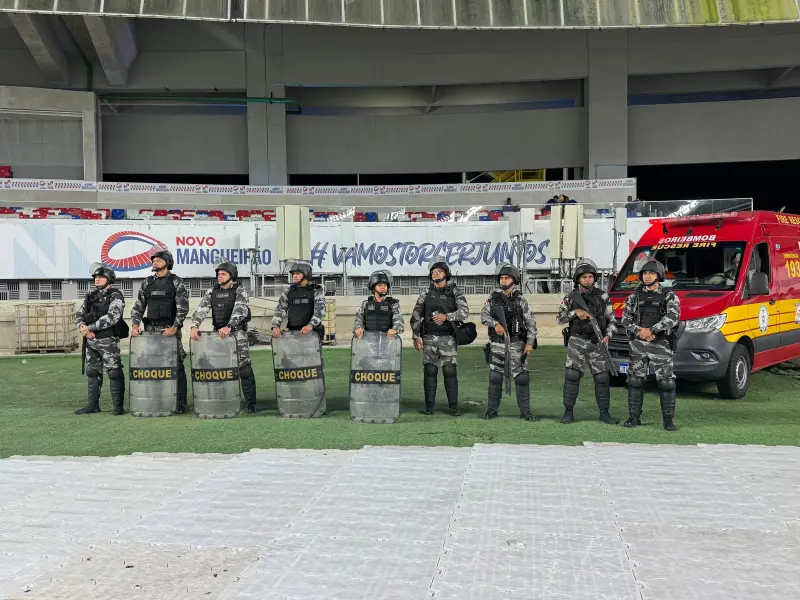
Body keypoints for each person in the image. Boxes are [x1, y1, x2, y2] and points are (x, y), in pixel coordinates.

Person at [620, 259, 681, 431]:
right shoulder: (634, 297)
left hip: (660, 343)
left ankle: (668, 421)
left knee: (667, 383)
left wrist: (652, 330)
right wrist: (640, 331)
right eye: (645, 273)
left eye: (651, 273)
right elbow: (625, 319)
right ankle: (634, 417)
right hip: (639, 344)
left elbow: (673, 317)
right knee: (635, 381)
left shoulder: (669, 296)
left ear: (659, 275)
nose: (647, 276)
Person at [189, 262, 257, 413]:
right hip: (218, 336)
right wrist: (194, 326)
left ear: (231, 276)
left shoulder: (240, 290)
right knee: (220, 369)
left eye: (223, 274)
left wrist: (230, 326)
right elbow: (201, 309)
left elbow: (241, 310)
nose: (220, 276)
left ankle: (251, 404)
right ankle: (223, 401)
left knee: (244, 369)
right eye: (218, 274)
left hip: (237, 334)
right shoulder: (212, 291)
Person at [557, 260, 618, 425]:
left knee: (602, 378)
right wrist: (575, 313)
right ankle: (568, 412)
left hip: (597, 342)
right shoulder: (571, 297)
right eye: (584, 277)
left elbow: (612, 320)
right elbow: (560, 318)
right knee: (572, 375)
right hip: (577, 341)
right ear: (578, 279)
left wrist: (608, 335)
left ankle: (604, 413)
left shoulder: (603, 296)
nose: (587, 279)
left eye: (590, 276)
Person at [130, 249, 190, 412]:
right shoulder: (147, 282)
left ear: (167, 263)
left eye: (158, 260)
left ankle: (181, 402)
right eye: (153, 260)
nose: (154, 262)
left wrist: (174, 327)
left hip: (169, 331)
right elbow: (139, 306)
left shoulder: (176, 282)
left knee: (176, 365)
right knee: (153, 366)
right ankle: (157, 400)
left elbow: (183, 307)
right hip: (150, 332)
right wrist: (135, 325)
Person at [410, 257, 469, 416]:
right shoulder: (426, 293)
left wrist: (446, 317)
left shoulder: (455, 292)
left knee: (450, 371)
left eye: (439, 271)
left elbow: (464, 312)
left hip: (447, 338)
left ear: (446, 274)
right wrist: (415, 336)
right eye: (433, 272)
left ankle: (453, 407)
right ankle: (429, 407)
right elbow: (416, 315)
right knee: (430, 370)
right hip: (429, 338)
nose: (435, 274)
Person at [480, 263, 537, 420]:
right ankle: (491, 410)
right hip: (497, 343)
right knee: (495, 377)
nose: (504, 281)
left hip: (517, 344)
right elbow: (483, 316)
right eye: (502, 278)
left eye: (507, 278)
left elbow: (531, 323)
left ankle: (525, 412)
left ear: (514, 280)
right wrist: (495, 324)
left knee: (522, 377)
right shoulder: (492, 299)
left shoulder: (521, 300)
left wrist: (529, 343)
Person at [74, 263, 126, 415]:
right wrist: (83, 328)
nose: (97, 279)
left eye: (101, 277)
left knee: (114, 372)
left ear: (109, 279)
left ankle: (118, 408)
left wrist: (90, 328)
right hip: (91, 341)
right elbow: (79, 314)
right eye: (96, 277)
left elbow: (112, 317)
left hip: (108, 340)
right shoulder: (91, 296)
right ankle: (93, 406)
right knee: (92, 372)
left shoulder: (115, 296)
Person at [271, 261, 326, 340]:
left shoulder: (316, 290)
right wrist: (275, 326)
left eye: (298, 273)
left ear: (306, 275)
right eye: (293, 274)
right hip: (293, 334)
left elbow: (320, 311)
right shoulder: (289, 291)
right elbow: (280, 309)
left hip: (312, 335)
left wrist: (310, 326)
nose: (294, 276)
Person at [354, 270, 404, 338]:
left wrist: (394, 329)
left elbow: (398, 319)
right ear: (373, 288)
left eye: (385, 285)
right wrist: (358, 327)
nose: (383, 287)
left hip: (388, 340)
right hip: (368, 340)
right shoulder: (366, 304)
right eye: (379, 285)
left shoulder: (393, 303)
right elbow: (358, 318)